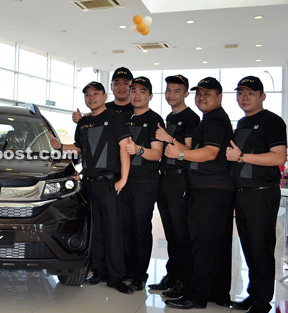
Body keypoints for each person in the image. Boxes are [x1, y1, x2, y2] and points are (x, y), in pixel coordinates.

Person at [49, 81, 132, 294]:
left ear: (104, 96)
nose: (91, 98)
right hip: (89, 184)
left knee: (113, 230)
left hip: (110, 183)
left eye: (96, 94)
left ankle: (116, 277)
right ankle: (98, 271)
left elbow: (124, 147)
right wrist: (61, 147)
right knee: (95, 230)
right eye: (88, 95)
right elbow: (79, 149)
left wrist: (123, 178)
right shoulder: (83, 123)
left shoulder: (114, 118)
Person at [164, 77, 234, 310]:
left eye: (208, 94)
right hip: (212, 188)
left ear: (219, 97)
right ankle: (217, 292)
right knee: (215, 245)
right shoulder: (210, 119)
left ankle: (197, 296)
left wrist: (180, 155)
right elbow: (198, 150)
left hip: (210, 188)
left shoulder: (214, 120)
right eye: (199, 93)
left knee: (202, 245)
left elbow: (209, 153)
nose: (202, 98)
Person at [225, 76, 286, 313]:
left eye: (250, 93)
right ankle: (253, 295)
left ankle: (262, 303)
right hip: (242, 195)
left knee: (261, 249)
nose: (245, 97)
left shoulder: (272, 121)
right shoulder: (241, 122)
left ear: (262, 96)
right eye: (240, 93)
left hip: (262, 194)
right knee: (249, 249)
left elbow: (279, 157)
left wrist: (241, 157)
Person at [149, 75, 200, 295]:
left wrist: (168, 137)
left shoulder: (191, 117)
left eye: (177, 91)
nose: (171, 94)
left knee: (181, 232)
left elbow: (188, 151)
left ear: (186, 93)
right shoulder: (169, 116)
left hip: (180, 178)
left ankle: (185, 280)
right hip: (165, 177)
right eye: (169, 90)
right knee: (169, 232)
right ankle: (173, 275)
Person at [120, 76, 164, 291]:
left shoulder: (155, 119)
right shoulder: (125, 118)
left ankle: (140, 274)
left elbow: (157, 154)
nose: (136, 94)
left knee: (140, 228)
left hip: (145, 181)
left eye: (142, 91)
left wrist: (138, 149)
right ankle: (128, 269)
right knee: (126, 228)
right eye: (133, 90)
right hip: (125, 181)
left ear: (150, 96)